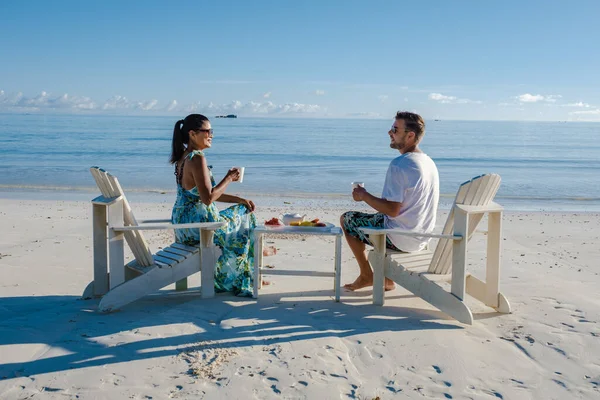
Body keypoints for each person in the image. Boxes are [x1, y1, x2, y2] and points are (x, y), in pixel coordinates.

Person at [341, 111, 439, 291]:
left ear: (410, 135)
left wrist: (363, 195)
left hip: (400, 238)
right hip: (421, 237)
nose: (389, 132)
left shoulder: (400, 164)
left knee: (347, 219)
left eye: (395, 129)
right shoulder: (427, 162)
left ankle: (366, 275)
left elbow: (392, 210)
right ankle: (387, 279)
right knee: (378, 217)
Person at [170, 114, 258, 296]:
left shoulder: (183, 157)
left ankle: (239, 274)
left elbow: (204, 194)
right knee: (245, 215)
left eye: (212, 131)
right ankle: (240, 277)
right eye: (207, 131)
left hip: (184, 226)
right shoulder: (197, 158)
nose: (211, 135)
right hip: (200, 228)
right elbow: (208, 198)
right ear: (193, 134)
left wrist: (239, 199)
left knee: (241, 207)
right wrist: (229, 178)